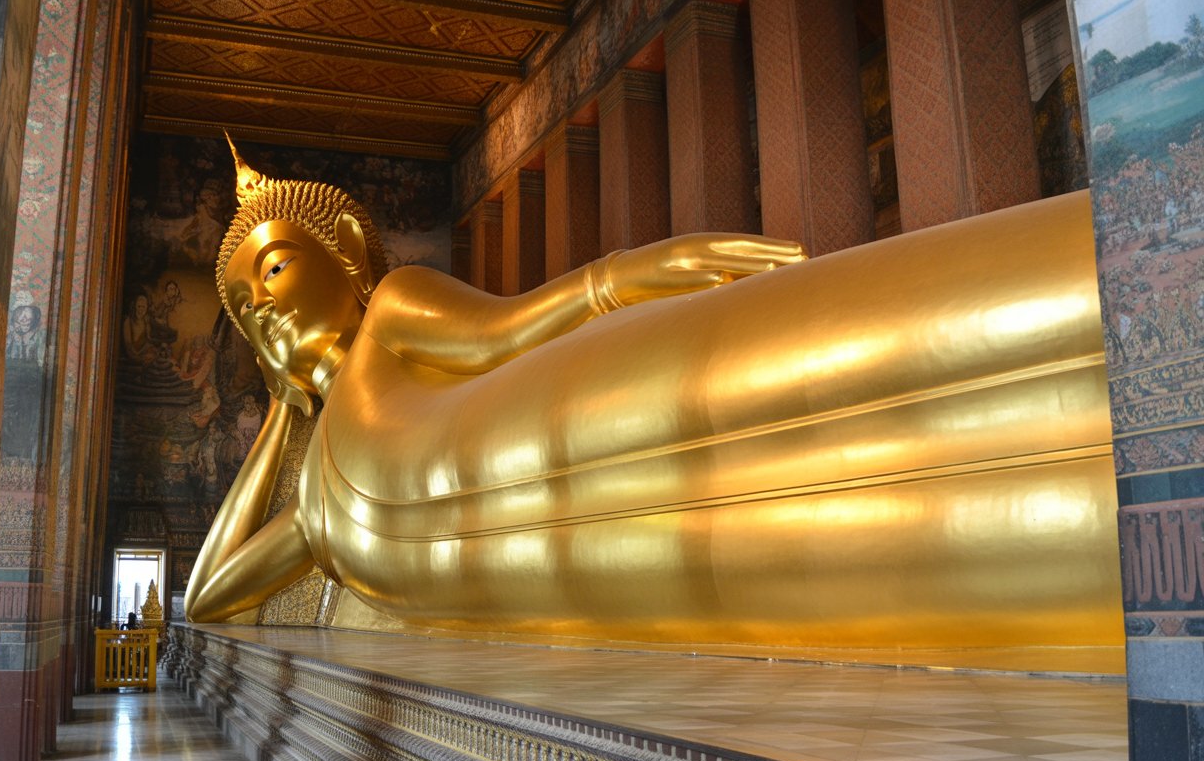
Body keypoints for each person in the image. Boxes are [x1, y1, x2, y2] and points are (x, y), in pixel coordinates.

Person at [185, 141, 1122, 666]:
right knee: (851, 529)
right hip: (606, 542)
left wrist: (628, 275)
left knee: (815, 362)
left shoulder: (393, 308)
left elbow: (510, 331)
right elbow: (210, 595)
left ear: (346, 250)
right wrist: (284, 407)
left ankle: (1116, 294)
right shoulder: (318, 503)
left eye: (273, 268)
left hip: (562, 413)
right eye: (242, 311)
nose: (262, 304)